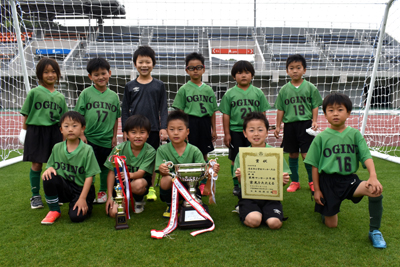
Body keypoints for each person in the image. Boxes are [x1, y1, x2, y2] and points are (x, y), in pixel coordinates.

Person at [304, 92, 386, 249]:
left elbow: (366, 156)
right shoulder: (321, 137)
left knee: (375, 190)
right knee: (331, 225)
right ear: (325, 114)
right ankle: (325, 211)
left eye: (340, 109)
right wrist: (317, 190)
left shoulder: (355, 134)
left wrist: (373, 176)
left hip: (349, 180)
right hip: (327, 182)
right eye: (331, 110)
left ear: (348, 112)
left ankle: (374, 231)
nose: (335, 113)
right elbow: (314, 165)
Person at [20, 57, 68, 209]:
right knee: (36, 164)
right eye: (46, 72)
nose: (50, 75)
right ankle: (35, 196)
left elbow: (63, 119)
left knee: (55, 164)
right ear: (40, 74)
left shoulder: (60, 97)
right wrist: (23, 130)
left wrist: (64, 135)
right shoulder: (34, 92)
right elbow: (26, 113)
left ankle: (55, 193)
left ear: (58, 74)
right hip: (36, 130)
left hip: (54, 131)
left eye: (53, 72)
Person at [121, 46, 169, 202]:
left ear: (153, 64)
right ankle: (133, 185)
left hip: (153, 129)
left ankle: (151, 188)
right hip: (134, 131)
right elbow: (125, 110)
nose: (144, 65)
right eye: (140, 62)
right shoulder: (129, 86)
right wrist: (125, 130)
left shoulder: (159, 85)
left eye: (147, 62)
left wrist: (163, 127)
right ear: (135, 64)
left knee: (153, 158)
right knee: (135, 158)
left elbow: (163, 108)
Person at [219, 60, 271, 196]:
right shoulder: (229, 94)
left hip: (253, 132)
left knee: (255, 156)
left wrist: (262, 130)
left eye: (247, 72)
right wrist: (226, 133)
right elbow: (226, 115)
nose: (243, 75)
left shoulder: (258, 93)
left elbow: (263, 113)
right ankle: (237, 185)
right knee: (235, 158)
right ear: (233, 76)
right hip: (236, 131)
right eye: (239, 72)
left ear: (252, 75)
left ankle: (256, 181)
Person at [156, 110, 220, 218]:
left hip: (191, 186)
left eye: (180, 129)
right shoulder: (162, 150)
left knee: (193, 201)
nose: (176, 133)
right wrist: (162, 169)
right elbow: (160, 170)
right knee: (165, 180)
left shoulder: (195, 150)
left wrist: (210, 170)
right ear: (167, 131)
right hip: (173, 186)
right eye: (172, 129)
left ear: (187, 132)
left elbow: (202, 172)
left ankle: (191, 200)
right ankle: (170, 204)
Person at [274, 54, 323, 193]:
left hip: (306, 124)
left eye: (298, 67)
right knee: (293, 154)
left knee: (307, 155)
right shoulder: (284, 90)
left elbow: (315, 105)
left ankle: (312, 181)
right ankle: (295, 181)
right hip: (290, 126)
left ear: (304, 70)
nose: (295, 71)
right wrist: (278, 126)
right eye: (291, 68)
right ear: (287, 71)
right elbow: (281, 109)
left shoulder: (310, 87)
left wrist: (314, 121)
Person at [74, 57, 120, 204]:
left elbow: (115, 118)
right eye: (96, 74)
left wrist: (114, 137)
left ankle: (102, 192)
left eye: (103, 73)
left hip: (106, 139)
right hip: (89, 138)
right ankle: (89, 192)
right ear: (90, 77)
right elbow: (78, 116)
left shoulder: (113, 96)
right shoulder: (86, 94)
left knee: (106, 166)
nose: (100, 77)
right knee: (90, 167)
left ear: (109, 73)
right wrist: (81, 134)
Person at [41, 111, 100, 224]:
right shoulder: (57, 147)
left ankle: (85, 202)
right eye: (66, 126)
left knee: (76, 217)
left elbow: (89, 177)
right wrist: (48, 169)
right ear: (61, 130)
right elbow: (50, 166)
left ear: (82, 129)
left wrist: (82, 198)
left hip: (82, 189)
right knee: (48, 176)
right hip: (66, 186)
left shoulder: (87, 150)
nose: (70, 129)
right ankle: (54, 210)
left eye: (74, 126)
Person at [234, 112, 290, 229]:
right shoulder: (242, 155)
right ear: (245, 133)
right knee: (254, 221)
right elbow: (241, 183)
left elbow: (282, 182)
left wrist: (283, 181)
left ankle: (266, 212)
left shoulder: (275, 153)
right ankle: (245, 209)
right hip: (249, 197)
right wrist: (240, 176)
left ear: (266, 132)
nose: (256, 134)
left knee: (274, 224)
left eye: (260, 130)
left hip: (271, 197)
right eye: (251, 130)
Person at [172, 52, 218, 194]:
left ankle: (203, 182)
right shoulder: (184, 89)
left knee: (203, 153)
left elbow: (212, 112)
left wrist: (214, 130)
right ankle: (187, 181)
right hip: (189, 123)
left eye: (198, 67)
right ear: (187, 70)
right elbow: (180, 112)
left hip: (204, 123)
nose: (195, 70)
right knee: (188, 152)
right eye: (192, 68)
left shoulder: (208, 89)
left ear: (203, 69)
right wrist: (182, 129)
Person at [105, 115, 156, 216]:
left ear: (148, 134)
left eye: (142, 132)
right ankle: (120, 200)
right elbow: (111, 172)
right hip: (120, 186)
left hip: (139, 182)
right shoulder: (119, 149)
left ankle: (138, 200)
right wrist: (110, 196)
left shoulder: (150, 151)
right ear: (127, 134)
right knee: (114, 213)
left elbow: (141, 173)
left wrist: (129, 175)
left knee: (138, 185)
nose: (138, 136)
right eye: (133, 132)